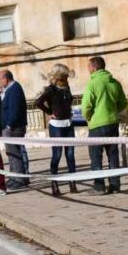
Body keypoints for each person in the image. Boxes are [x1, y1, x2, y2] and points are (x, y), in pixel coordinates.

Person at [82, 56, 128, 195]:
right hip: (112, 123)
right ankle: (115, 185)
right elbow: (123, 103)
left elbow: (86, 106)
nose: (88, 70)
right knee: (113, 155)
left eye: (88, 67)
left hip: (97, 125)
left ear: (94, 67)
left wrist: (89, 118)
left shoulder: (92, 84)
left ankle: (99, 186)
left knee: (96, 156)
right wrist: (113, 112)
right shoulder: (114, 83)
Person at [36, 64, 78, 196]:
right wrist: (50, 112)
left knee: (70, 155)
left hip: (68, 124)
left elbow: (69, 101)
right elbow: (38, 102)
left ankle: (73, 182)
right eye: (65, 74)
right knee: (57, 155)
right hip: (56, 126)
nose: (67, 77)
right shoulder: (51, 89)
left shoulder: (67, 87)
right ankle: (54, 184)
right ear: (59, 75)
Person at [0, 70, 29, 190]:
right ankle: (13, 177)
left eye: (0, 79)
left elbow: (14, 109)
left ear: (6, 79)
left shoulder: (14, 89)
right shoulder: (8, 90)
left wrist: (9, 125)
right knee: (11, 154)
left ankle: (19, 180)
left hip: (14, 128)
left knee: (15, 154)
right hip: (8, 127)